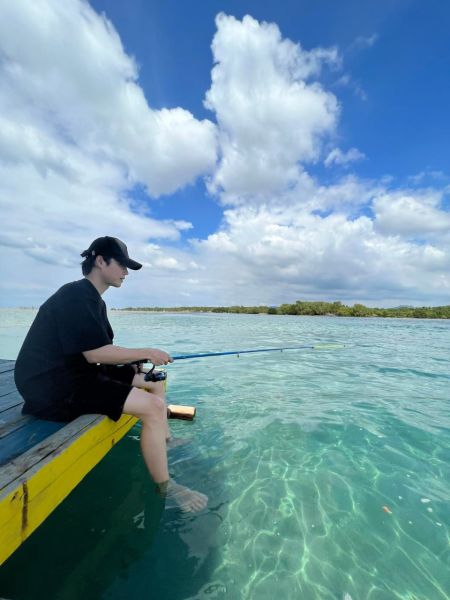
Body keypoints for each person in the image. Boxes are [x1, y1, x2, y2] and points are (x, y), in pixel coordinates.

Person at [14, 236, 207, 513]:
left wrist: (134, 364)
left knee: (156, 380)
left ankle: (165, 440)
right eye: (122, 265)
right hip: (52, 387)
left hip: (74, 373)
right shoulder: (75, 296)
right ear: (100, 261)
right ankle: (168, 487)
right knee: (152, 407)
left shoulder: (93, 300)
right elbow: (95, 354)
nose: (126, 273)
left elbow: (91, 353)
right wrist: (148, 351)